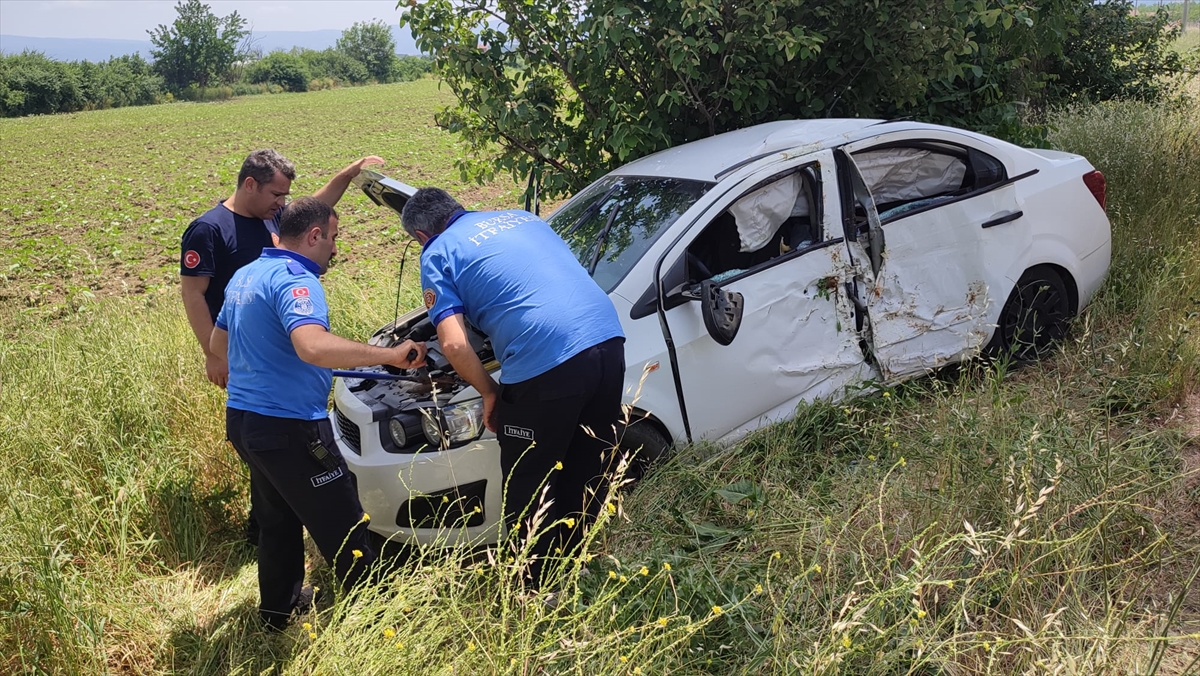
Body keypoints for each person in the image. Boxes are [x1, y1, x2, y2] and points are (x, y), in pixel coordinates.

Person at [210, 197, 427, 630]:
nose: (334, 249)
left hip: (244, 421)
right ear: (313, 236)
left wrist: (268, 364)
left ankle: (278, 611)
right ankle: (377, 617)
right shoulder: (297, 282)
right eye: (332, 239)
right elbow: (312, 345)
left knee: (278, 518)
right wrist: (390, 356)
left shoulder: (245, 275)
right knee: (341, 516)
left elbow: (218, 348)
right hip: (290, 427)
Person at [400, 188, 625, 588]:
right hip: (607, 341)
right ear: (456, 207)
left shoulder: (437, 251)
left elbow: (452, 344)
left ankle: (534, 588)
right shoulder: (522, 218)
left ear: (420, 235)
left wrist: (490, 391)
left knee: (528, 479)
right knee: (586, 461)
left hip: (546, 361)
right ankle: (578, 565)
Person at [180, 149, 382, 546]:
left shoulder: (273, 218)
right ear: (250, 184)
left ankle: (273, 561)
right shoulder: (209, 229)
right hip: (253, 362)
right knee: (291, 466)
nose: (282, 203)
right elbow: (193, 294)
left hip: (272, 361)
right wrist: (213, 354)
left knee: (272, 469)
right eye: (277, 193)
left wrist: (349, 172)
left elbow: (315, 213)